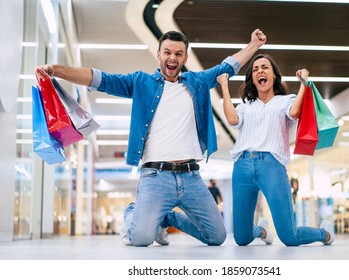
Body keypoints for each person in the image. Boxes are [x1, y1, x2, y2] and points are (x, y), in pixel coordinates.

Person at [39, 29, 267, 247]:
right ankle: (133, 210)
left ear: (185, 57)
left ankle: (167, 218)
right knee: (139, 239)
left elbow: (227, 67)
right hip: (155, 177)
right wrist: (56, 71)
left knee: (216, 236)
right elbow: (99, 78)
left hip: (191, 177)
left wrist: (254, 45)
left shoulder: (197, 83)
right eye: (167, 52)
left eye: (178, 53)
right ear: (158, 54)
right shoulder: (141, 83)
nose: (172, 57)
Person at [216, 53, 335, 246]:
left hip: (272, 166)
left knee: (289, 237)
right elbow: (232, 119)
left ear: (273, 76)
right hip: (242, 167)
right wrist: (223, 85)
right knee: (242, 238)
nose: (260, 71)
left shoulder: (285, 101)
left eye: (264, 67)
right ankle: (261, 231)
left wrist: (305, 83)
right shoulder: (247, 106)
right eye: (255, 69)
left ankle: (325, 233)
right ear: (253, 80)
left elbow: (295, 112)